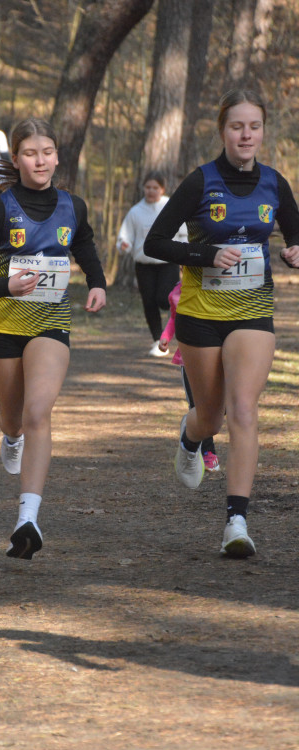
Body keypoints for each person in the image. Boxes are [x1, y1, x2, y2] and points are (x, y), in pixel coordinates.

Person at [145, 88, 299, 558]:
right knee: (210, 415)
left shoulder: (276, 183)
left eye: (254, 126)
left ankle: (236, 520)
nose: (246, 134)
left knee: (244, 410)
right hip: (200, 313)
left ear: (262, 131)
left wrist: (294, 252)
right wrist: (206, 254)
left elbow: (295, 237)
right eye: (237, 126)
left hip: (252, 309)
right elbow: (155, 242)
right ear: (223, 131)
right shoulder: (199, 182)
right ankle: (192, 437)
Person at [0, 117, 107, 560]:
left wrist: (97, 283)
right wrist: (6, 286)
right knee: (14, 419)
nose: (39, 160)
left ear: (57, 156)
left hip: (49, 321)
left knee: (38, 410)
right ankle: (10, 437)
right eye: (29, 153)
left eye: (46, 152)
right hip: (2, 324)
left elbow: (85, 247)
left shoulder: (73, 206)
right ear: (17, 159)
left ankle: (28, 518)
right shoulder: (0, 209)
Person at [116, 172, 187, 357]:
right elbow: (125, 236)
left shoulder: (170, 206)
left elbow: (184, 233)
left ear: (162, 189)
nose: (151, 191)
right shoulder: (135, 211)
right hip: (144, 264)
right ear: (143, 188)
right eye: (148, 187)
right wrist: (124, 245)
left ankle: (181, 332)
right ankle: (158, 340)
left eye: (155, 187)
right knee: (149, 302)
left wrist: (184, 254)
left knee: (165, 299)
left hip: (168, 262)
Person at [159, 281, 220, 472]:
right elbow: (174, 318)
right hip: (188, 360)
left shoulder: (219, 286)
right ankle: (206, 453)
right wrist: (166, 337)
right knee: (199, 406)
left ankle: (190, 428)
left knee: (221, 407)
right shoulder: (178, 290)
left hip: (217, 357)